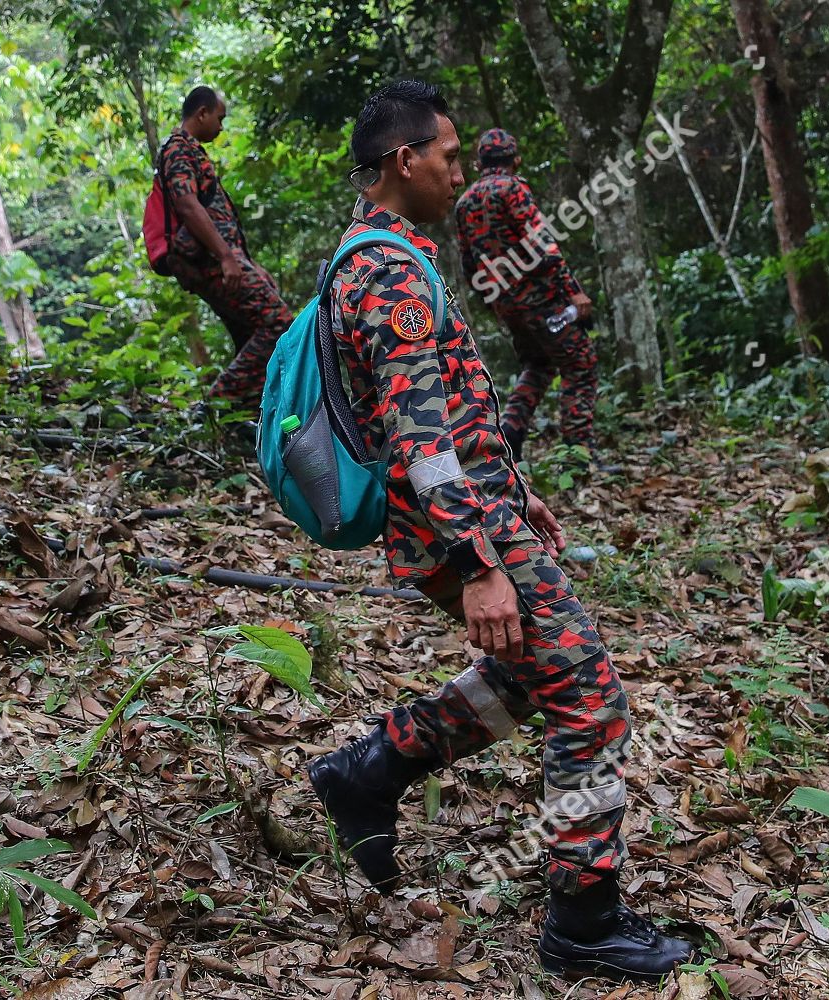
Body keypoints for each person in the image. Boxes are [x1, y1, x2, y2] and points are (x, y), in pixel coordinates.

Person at [304, 80, 692, 982]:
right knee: (589, 699)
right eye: (445, 154)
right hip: (456, 527)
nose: (457, 170)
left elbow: (454, 412)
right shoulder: (388, 270)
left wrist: (516, 497)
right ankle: (585, 922)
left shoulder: (386, 254)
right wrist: (480, 561)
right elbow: (418, 434)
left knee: (524, 681)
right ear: (405, 160)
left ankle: (368, 773)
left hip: (479, 510)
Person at [455, 128, 600, 463]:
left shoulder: (464, 202)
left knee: (538, 363)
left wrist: (492, 301)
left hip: (507, 305)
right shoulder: (512, 188)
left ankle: (511, 430)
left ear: (478, 164)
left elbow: (468, 262)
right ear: (515, 159)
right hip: (542, 299)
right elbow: (542, 245)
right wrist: (574, 293)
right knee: (581, 363)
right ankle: (578, 452)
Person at [159, 86, 293, 413]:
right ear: (201, 113)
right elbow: (187, 205)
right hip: (208, 262)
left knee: (249, 333)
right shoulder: (178, 149)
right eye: (219, 118)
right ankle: (214, 407)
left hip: (220, 259)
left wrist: (244, 262)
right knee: (279, 324)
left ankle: (244, 418)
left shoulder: (191, 151)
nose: (221, 127)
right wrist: (226, 257)